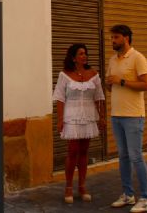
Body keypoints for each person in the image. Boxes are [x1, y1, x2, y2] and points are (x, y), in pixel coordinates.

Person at [105, 24, 147, 212]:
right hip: (116, 115)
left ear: (126, 38)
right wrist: (110, 83)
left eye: (115, 37)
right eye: (111, 38)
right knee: (123, 156)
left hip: (133, 116)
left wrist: (122, 81)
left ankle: (146, 198)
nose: (112, 41)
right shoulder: (112, 60)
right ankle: (128, 194)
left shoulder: (138, 58)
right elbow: (112, 85)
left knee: (136, 156)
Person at [53, 43, 105, 204]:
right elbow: (60, 99)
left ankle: (82, 186)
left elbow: (99, 97)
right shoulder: (64, 75)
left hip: (89, 115)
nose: (84, 56)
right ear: (73, 57)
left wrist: (102, 117)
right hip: (72, 116)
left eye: (85, 53)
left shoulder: (93, 74)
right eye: (81, 54)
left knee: (84, 151)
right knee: (72, 150)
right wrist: (60, 120)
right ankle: (68, 186)